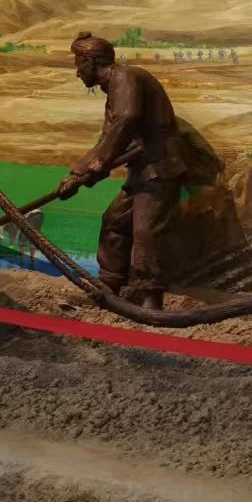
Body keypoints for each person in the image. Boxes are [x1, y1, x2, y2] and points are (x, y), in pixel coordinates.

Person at [60, 32, 186, 309]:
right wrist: (77, 174)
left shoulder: (125, 77)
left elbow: (125, 122)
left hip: (159, 169)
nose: (77, 72)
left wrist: (99, 164)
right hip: (143, 172)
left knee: (146, 233)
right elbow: (108, 139)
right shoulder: (116, 89)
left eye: (78, 64)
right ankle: (109, 287)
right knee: (115, 222)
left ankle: (151, 300)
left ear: (91, 62)